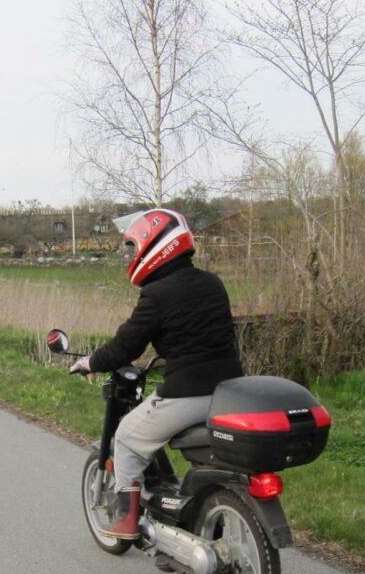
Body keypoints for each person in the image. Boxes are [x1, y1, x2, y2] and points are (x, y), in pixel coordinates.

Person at [69, 208, 243, 539]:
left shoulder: (158, 294)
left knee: (127, 438)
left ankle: (128, 520)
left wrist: (90, 362)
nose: (132, 255)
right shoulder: (212, 282)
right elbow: (199, 335)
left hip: (188, 395)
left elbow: (125, 347)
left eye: (134, 247)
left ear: (153, 244)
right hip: (229, 390)